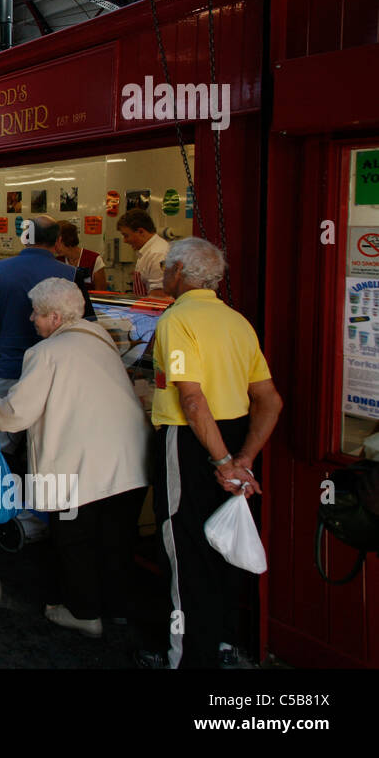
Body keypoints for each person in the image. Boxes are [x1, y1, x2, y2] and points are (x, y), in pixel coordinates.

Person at [136, 238, 282, 669]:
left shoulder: (177, 320)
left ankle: (186, 658)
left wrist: (221, 462)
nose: (163, 272)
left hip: (191, 440)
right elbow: (270, 401)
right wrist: (244, 459)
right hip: (235, 435)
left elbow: (193, 400)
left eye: (167, 266)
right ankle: (219, 643)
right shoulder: (237, 322)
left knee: (184, 550)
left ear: (180, 272)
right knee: (221, 545)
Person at [0, 278, 150, 637]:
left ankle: (84, 612)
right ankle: (117, 607)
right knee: (116, 538)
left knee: (74, 540)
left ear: (56, 318)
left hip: (78, 465)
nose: (31, 319)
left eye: (37, 314)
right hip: (127, 457)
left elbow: (17, 413)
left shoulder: (45, 353)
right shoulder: (100, 337)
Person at [0, 215, 91, 456]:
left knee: (3, 444)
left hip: (11, 370)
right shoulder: (72, 274)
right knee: (49, 446)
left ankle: (4, 490)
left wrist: (6, 331)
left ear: (25, 238)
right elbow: (85, 327)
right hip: (61, 376)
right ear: (58, 242)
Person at [116, 209, 170, 296]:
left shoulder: (158, 254)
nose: (125, 241)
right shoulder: (145, 252)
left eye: (126, 236)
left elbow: (159, 295)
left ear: (141, 232)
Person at [54, 220, 108, 294]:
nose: (54, 247)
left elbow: (101, 293)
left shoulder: (94, 259)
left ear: (67, 239)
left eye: (56, 242)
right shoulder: (57, 261)